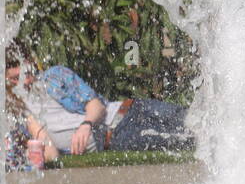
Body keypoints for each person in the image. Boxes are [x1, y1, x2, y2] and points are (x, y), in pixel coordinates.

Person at [5, 45, 193, 155]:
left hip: (132, 111)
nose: (27, 81)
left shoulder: (54, 77)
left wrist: (86, 124)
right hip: (119, 136)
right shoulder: (22, 121)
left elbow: (96, 106)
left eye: (28, 73)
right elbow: (51, 155)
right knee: (192, 141)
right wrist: (31, 122)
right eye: (16, 79)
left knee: (199, 120)